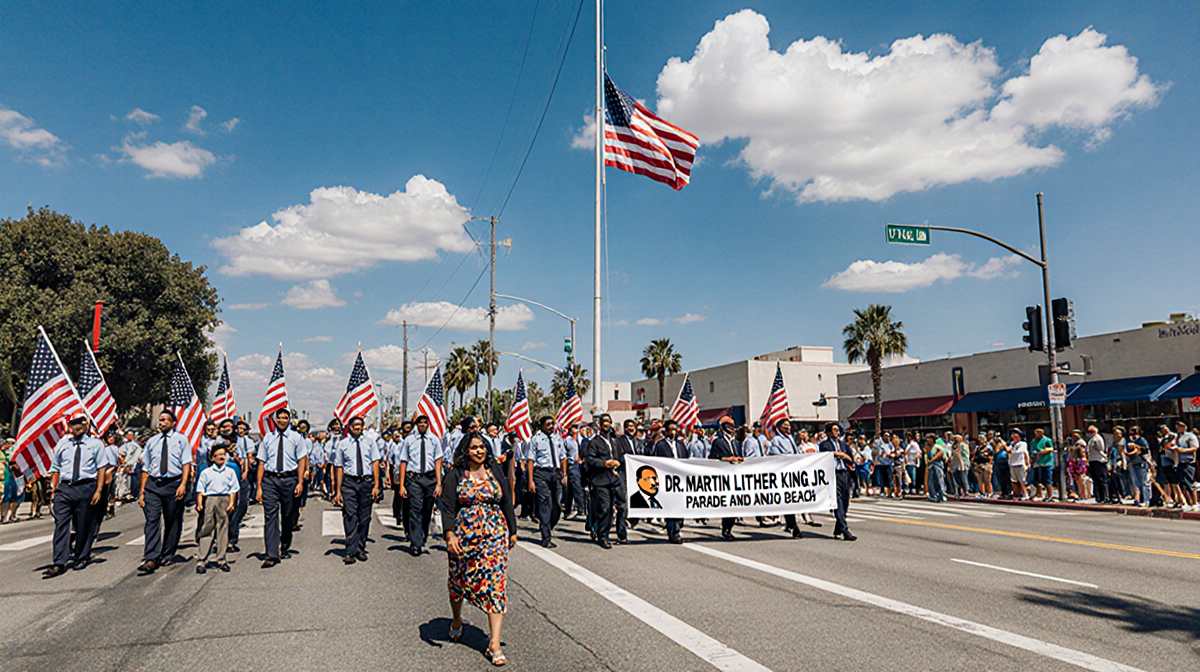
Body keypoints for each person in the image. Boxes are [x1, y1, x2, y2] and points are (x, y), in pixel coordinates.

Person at [440, 432, 517, 666]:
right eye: (474, 447)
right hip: (464, 537)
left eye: (482, 446)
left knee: (495, 582)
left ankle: (494, 643)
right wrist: (449, 534)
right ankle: (456, 620)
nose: (480, 451)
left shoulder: (494, 471)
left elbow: (505, 500)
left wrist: (512, 530)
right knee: (458, 581)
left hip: (494, 535)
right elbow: (448, 507)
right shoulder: (455, 475)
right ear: (466, 451)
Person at [43, 413, 105, 578]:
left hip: (86, 487)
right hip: (65, 488)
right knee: (61, 525)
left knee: (83, 523)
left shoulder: (95, 444)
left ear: (85, 427)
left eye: (79, 425)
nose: (76, 428)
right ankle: (59, 562)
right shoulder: (63, 444)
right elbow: (55, 468)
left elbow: (101, 468)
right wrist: (54, 491)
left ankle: (81, 556)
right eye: (73, 425)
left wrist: (99, 490)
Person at [138, 410, 193, 573]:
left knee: (172, 520)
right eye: (160, 420)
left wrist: (183, 484)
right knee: (152, 520)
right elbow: (146, 468)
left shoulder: (181, 440)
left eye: (164, 420)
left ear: (172, 423)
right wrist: (142, 491)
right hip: (153, 485)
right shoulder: (152, 442)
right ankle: (151, 557)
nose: (161, 422)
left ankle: (167, 553)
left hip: (173, 484)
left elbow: (186, 463)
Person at [255, 408, 308, 568]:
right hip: (270, 480)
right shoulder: (267, 439)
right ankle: (271, 554)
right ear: (275, 420)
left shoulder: (296, 438)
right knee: (270, 517)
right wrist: (259, 487)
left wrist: (300, 482)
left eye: (286, 418)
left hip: (289, 480)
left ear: (289, 420)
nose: (283, 420)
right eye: (280, 418)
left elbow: (301, 461)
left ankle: (285, 544)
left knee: (288, 516)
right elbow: (261, 463)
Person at [331, 416, 380, 564]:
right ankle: (350, 551)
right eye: (355, 425)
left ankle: (360, 548)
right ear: (350, 427)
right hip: (349, 483)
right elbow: (339, 467)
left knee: (364, 518)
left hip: (366, 482)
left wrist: (376, 485)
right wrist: (338, 490)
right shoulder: (342, 444)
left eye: (360, 425)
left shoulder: (370, 442)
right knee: (350, 516)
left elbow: (375, 462)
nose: (358, 428)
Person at [399, 415, 443, 556]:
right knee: (415, 509)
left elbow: (438, 461)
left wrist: (438, 483)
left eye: (425, 422)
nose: (423, 425)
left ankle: (422, 535)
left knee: (427, 510)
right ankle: (415, 542)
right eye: (420, 423)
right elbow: (403, 462)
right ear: (416, 425)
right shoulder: (409, 440)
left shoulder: (434, 440)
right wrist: (401, 485)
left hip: (430, 479)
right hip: (414, 479)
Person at [194, 443, 238, 574]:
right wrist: (200, 503)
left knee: (223, 529)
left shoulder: (230, 471)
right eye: (217, 455)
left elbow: (233, 489)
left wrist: (231, 503)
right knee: (207, 528)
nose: (221, 457)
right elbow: (200, 489)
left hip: (223, 499)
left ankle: (222, 559)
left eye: (223, 455)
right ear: (212, 457)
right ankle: (202, 559)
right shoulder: (206, 472)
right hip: (210, 499)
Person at [584, 414, 624, 548]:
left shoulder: (615, 441)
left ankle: (606, 530)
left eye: (609, 422)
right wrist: (605, 463)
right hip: (600, 480)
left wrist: (619, 463)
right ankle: (602, 535)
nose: (607, 425)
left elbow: (621, 457)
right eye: (604, 422)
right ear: (600, 425)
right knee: (605, 508)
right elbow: (590, 460)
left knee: (617, 507)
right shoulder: (594, 442)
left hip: (615, 479)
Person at [527, 417, 567, 548]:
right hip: (541, 474)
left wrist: (564, 474)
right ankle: (546, 538)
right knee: (546, 505)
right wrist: (531, 481)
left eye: (553, 424)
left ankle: (548, 527)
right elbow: (531, 460)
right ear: (542, 425)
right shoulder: (535, 439)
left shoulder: (557, 438)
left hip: (555, 474)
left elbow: (563, 457)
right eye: (548, 424)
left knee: (557, 506)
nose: (551, 426)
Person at [652, 419, 689, 544]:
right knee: (672, 507)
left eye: (675, 429)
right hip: (668, 480)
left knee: (680, 506)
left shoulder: (681, 444)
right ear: (666, 431)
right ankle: (673, 533)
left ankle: (678, 526)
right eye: (671, 430)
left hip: (681, 480)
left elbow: (686, 460)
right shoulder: (661, 445)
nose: (673, 432)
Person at [707, 416, 743, 539]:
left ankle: (729, 527)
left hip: (735, 476)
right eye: (730, 426)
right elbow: (712, 459)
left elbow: (739, 455)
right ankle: (725, 529)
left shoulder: (736, 442)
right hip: (724, 476)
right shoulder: (718, 442)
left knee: (735, 504)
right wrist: (726, 459)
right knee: (727, 504)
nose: (733, 429)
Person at [819, 424, 856, 541]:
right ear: (829, 433)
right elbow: (826, 454)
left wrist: (846, 456)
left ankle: (838, 529)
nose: (837, 432)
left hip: (844, 474)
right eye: (834, 430)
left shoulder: (844, 445)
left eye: (838, 430)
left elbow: (850, 458)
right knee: (838, 501)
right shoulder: (825, 444)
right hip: (833, 474)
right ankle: (845, 530)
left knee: (845, 501)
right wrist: (840, 455)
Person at [562, 424, 587, 521]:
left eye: (577, 428)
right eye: (574, 428)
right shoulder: (567, 441)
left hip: (580, 466)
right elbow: (564, 456)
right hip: (572, 465)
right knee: (576, 487)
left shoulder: (580, 439)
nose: (576, 430)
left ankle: (569, 509)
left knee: (573, 489)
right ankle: (581, 509)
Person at [1174, 420, 1197, 510]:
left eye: (1180, 426)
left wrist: (1180, 450)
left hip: (1189, 462)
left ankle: (1195, 503)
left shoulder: (1190, 436)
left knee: (1190, 483)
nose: (1178, 428)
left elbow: (1194, 448)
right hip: (1180, 462)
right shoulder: (1178, 437)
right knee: (1182, 483)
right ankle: (1187, 503)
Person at [1030, 427, 1056, 501]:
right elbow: (1032, 450)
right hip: (1037, 463)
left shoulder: (1047, 440)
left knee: (1047, 480)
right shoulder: (1034, 441)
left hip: (1046, 462)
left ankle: (1049, 496)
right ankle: (1038, 493)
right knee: (1036, 479)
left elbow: (1051, 448)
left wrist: (1042, 452)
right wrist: (1034, 453)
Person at [1, 438, 22, 523]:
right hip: (5, 478)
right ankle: (4, 516)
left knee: (13, 497)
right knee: (6, 497)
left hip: (12, 477)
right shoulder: (4, 454)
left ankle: (8, 515)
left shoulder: (9, 453)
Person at [1008, 430, 1029, 500]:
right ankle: (1017, 494)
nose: (1013, 436)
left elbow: (1019, 452)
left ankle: (1025, 495)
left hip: (1019, 463)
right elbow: (1008, 450)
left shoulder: (1023, 444)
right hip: (1012, 464)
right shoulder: (1012, 444)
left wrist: (1027, 463)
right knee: (1014, 481)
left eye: (1015, 434)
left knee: (1022, 481)